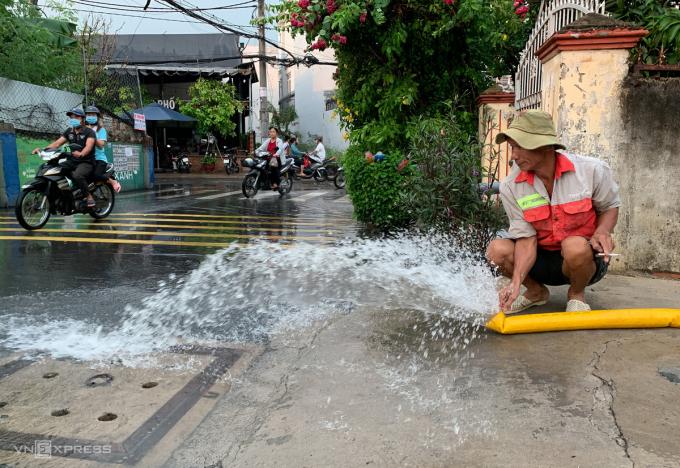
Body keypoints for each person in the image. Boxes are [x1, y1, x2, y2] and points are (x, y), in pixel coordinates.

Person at [486, 110, 621, 313]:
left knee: (574, 246)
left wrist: (602, 230)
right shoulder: (511, 186)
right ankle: (535, 292)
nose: (513, 156)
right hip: (539, 260)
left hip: (583, 260)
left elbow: (609, 205)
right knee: (497, 250)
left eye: (520, 147)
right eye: (512, 147)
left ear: (546, 146)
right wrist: (515, 283)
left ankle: (576, 295)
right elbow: (525, 239)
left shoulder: (591, 171)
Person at [33, 107, 97, 207]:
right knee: (54, 170)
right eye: (71, 117)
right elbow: (57, 144)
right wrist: (42, 149)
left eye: (76, 116)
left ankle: (89, 197)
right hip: (72, 160)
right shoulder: (69, 131)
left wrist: (81, 153)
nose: (73, 118)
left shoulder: (89, 132)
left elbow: (88, 147)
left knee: (77, 175)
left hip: (86, 161)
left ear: (82, 119)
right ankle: (65, 195)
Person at [85, 106, 121, 193]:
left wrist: (92, 134)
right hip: (86, 158)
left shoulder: (101, 130)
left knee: (96, 175)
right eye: (88, 114)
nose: (90, 116)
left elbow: (101, 145)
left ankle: (112, 181)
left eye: (93, 115)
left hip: (99, 159)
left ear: (97, 117)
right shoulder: (82, 129)